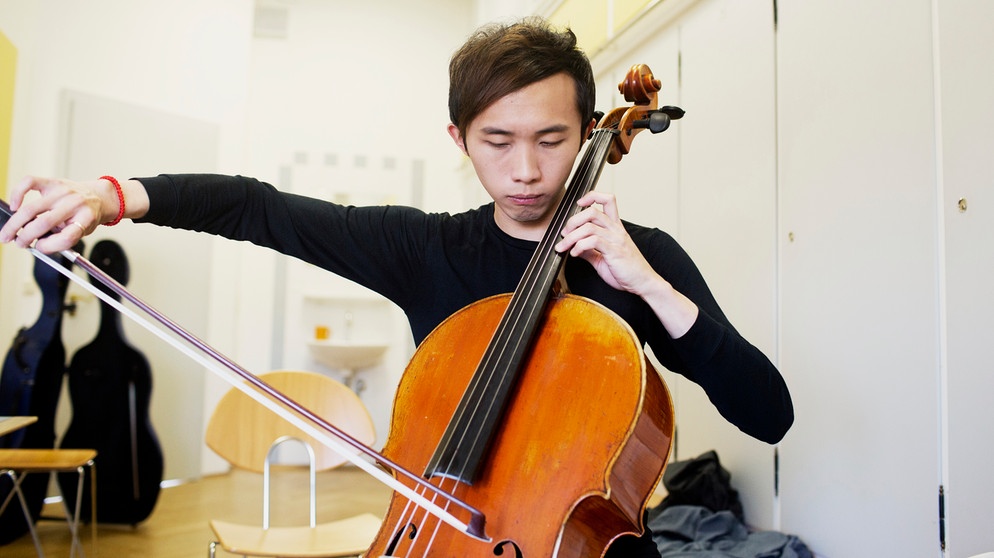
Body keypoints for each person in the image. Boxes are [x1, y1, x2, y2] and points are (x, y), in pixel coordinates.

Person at [0, 16, 792, 557]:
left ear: (590, 132)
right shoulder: (424, 249)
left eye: (552, 139)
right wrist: (111, 195)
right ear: (459, 139)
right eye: (497, 141)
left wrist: (649, 286)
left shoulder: (639, 257)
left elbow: (769, 412)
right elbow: (256, 206)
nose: (525, 170)